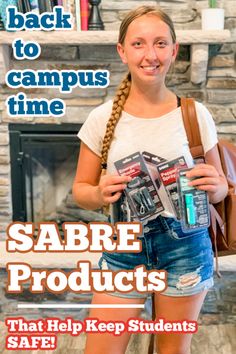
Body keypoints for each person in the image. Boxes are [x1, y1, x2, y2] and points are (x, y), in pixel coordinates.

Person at [72, 5, 228, 354]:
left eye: (160, 43)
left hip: (187, 248)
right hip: (123, 250)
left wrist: (215, 186)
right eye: (139, 44)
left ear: (174, 50)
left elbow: (220, 189)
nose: (150, 55)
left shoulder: (195, 114)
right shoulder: (100, 119)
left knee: (172, 350)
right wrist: (99, 192)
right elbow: (80, 191)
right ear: (122, 51)